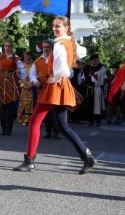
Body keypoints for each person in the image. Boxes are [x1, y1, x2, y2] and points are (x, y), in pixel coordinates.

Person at [13, 16, 96, 175]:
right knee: (63, 127)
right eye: (54, 26)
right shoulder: (70, 42)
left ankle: (29, 160)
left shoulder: (58, 44)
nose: (55, 28)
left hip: (54, 87)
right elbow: (81, 53)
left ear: (66, 27)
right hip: (62, 86)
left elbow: (63, 69)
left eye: (58, 26)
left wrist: (56, 76)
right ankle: (87, 157)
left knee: (34, 122)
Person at [0, 40, 26, 136]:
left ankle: (9, 129)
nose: (7, 48)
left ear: (12, 47)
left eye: (9, 46)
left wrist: (19, 72)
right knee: (2, 107)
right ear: (4, 47)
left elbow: (23, 72)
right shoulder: (0, 57)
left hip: (12, 83)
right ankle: (3, 129)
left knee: (10, 108)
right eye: (6, 46)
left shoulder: (16, 58)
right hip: (2, 82)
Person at [83, 54, 107, 126]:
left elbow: (105, 79)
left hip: (97, 88)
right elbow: (83, 79)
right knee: (89, 105)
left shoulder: (102, 68)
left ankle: (98, 120)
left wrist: (103, 88)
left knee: (98, 105)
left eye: (96, 59)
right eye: (93, 60)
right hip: (89, 89)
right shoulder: (86, 68)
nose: (95, 61)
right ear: (90, 61)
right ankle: (90, 120)